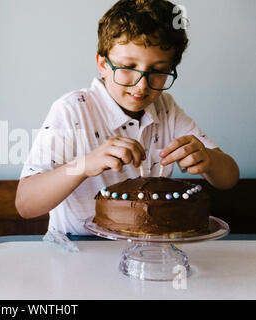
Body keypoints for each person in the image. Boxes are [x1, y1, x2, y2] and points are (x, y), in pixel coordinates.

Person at [15, 0, 239, 235]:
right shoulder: (72, 111)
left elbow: (229, 178)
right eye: (127, 67)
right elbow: (26, 204)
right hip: (78, 250)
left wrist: (209, 160)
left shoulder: (165, 108)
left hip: (149, 249)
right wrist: (85, 165)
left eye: (158, 70)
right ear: (102, 64)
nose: (141, 85)